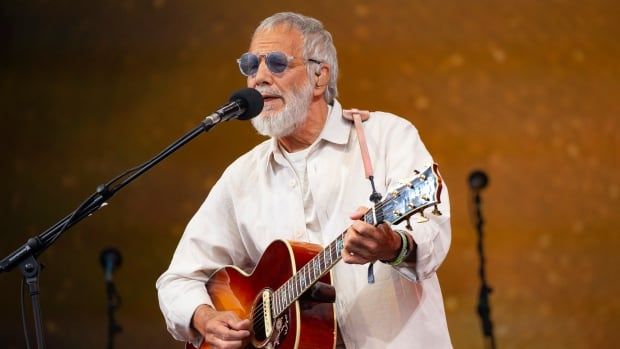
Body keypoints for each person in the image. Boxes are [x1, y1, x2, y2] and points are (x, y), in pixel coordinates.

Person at [157, 12, 452, 349]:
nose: (259, 79)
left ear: (319, 76)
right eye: (251, 65)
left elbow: (434, 231)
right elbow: (177, 280)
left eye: (277, 63)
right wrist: (205, 318)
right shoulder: (242, 178)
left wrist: (394, 246)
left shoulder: (386, 137)